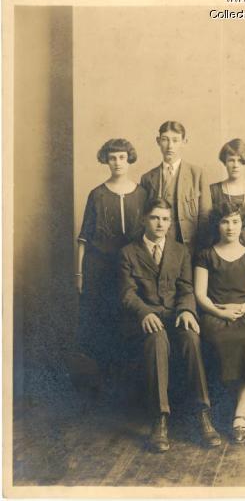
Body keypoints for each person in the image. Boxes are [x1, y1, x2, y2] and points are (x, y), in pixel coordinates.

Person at [119, 198, 221, 452]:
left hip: (174, 314)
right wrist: (143, 313)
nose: (160, 224)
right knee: (156, 339)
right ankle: (160, 418)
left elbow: (186, 288)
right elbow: (127, 293)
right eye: (155, 218)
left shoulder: (180, 251)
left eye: (165, 219)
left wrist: (187, 310)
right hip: (144, 320)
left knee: (190, 337)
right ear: (144, 219)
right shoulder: (128, 252)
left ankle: (202, 413)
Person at [194, 202, 245, 443]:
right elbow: (200, 295)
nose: (230, 227)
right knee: (219, 339)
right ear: (218, 224)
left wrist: (243, 308)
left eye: (235, 221)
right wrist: (221, 312)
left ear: (242, 224)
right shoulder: (205, 255)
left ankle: (239, 412)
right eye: (225, 221)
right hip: (215, 314)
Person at [76, 138, 147, 380]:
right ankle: (105, 381)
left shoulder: (142, 194)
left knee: (129, 322)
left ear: (129, 160)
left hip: (132, 270)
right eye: (113, 157)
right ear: (106, 160)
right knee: (103, 322)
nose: (118, 162)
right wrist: (80, 275)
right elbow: (84, 238)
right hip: (100, 270)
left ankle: (128, 382)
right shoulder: (97, 194)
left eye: (122, 157)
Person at [140, 121, 212, 255]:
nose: (170, 146)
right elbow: (144, 217)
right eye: (165, 140)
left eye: (175, 140)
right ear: (158, 141)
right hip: (158, 248)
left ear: (184, 142)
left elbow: (205, 217)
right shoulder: (148, 178)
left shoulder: (197, 174)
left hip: (190, 247)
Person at [209, 139, 245, 251]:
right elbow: (210, 229)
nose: (235, 165)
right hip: (221, 251)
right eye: (231, 160)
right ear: (224, 162)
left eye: (240, 161)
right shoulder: (214, 190)